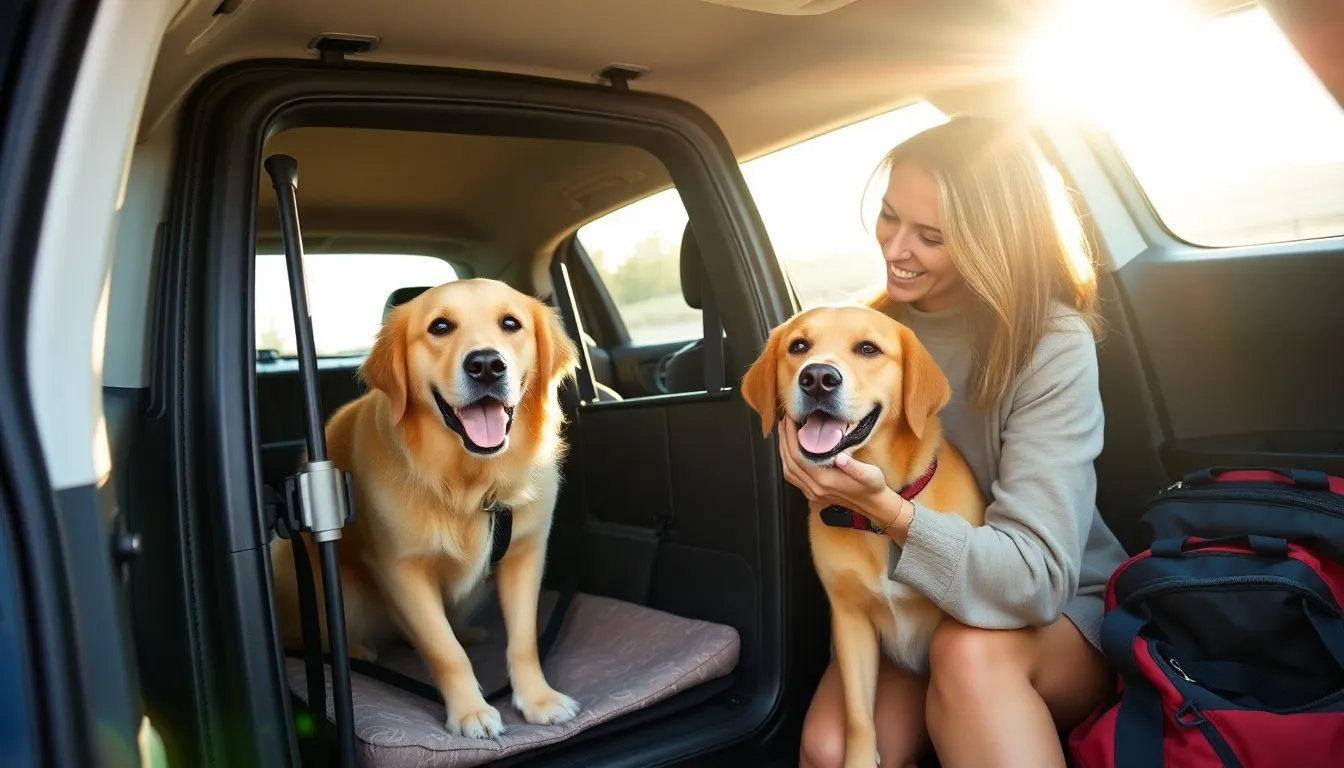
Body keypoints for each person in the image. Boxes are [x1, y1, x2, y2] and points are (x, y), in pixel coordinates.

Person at [782, 114, 1130, 768]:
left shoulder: (1050, 343)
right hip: (911, 603)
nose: (895, 249)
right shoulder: (864, 330)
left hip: (1047, 611)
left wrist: (889, 512)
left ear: (989, 239)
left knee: (965, 656)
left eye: (931, 236)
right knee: (831, 750)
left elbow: (1035, 578)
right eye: (889, 218)